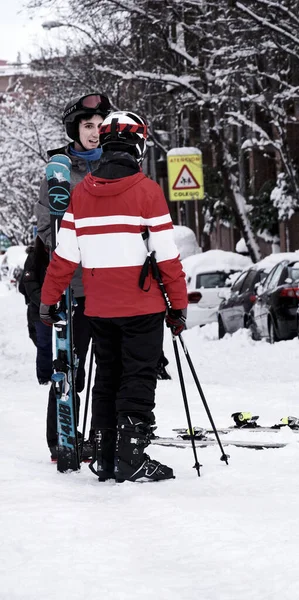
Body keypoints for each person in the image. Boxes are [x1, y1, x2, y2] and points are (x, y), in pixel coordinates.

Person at [40, 110, 188, 483]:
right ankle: (131, 456)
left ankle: (105, 457)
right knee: (138, 378)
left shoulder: (81, 194)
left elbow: (63, 256)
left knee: (107, 377)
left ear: (105, 144)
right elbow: (168, 258)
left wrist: (48, 300)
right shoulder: (148, 192)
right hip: (144, 308)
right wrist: (179, 307)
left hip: (99, 308)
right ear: (138, 146)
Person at [35, 92, 112, 461]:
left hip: (114, 285)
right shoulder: (59, 171)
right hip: (77, 286)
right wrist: (81, 248)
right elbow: (47, 229)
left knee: (111, 366)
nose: (95, 133)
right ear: (75, 129)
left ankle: (101, 434)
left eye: (100, 125)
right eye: (88, 126)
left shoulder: (118, 164)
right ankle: (62, 437)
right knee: (71, 367)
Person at [19, 237, 53, 384]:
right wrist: (45, 301)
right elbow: (28, 284)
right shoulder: (34, 257)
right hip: (39, 308)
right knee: (44, 343)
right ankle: (45, 377)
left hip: (54, 306)